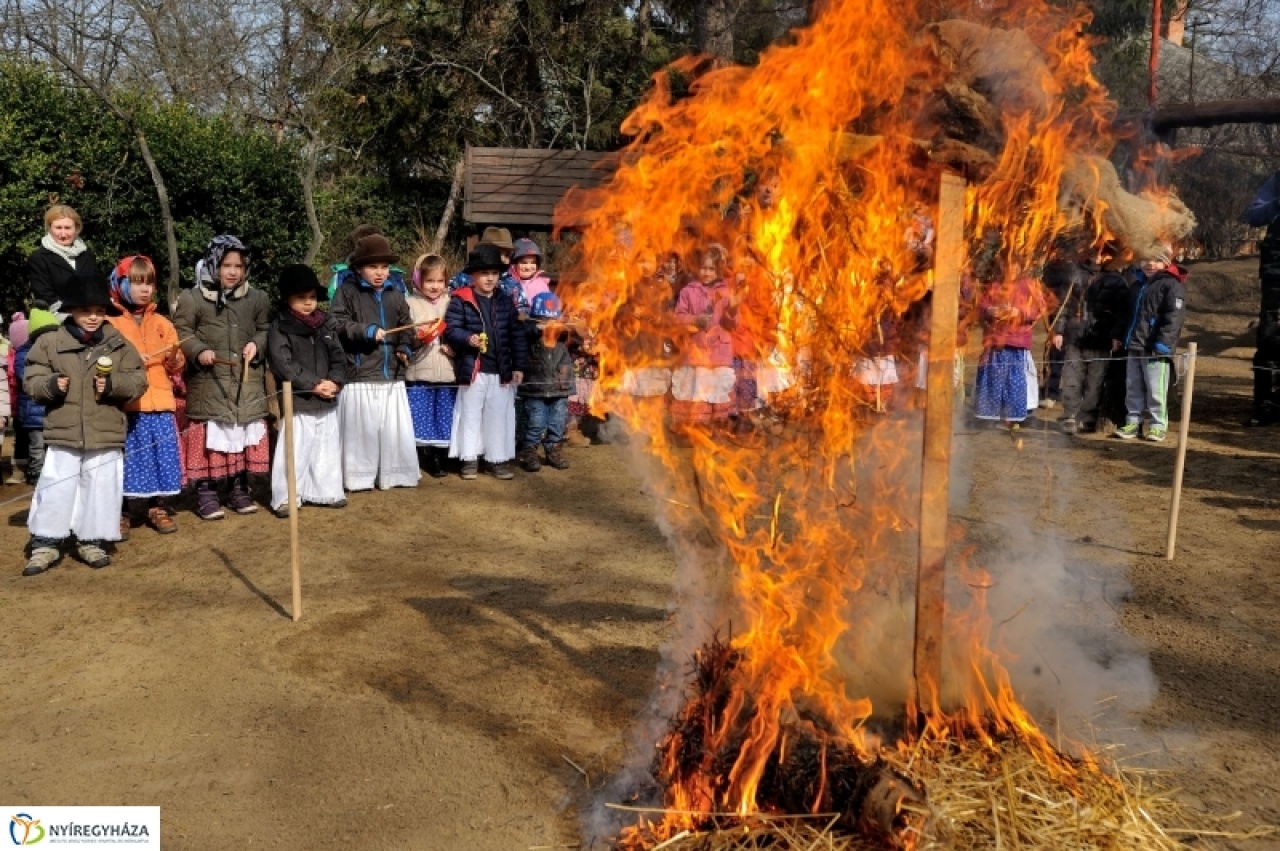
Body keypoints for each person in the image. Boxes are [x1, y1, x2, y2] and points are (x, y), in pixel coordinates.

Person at [20, 271, 147, 575]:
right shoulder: (50, 342)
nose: (93, 317)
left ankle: (91, 540)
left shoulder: (118, 344)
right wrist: (51, 384)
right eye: (85, 311)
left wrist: (113, 385)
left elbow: (138, 380)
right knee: (55, 486)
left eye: (99, 311)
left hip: (105, 433)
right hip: (64, 433)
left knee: (100, 487)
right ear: (71, 311)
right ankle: (45, 543)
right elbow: (32, 379)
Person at [173, 235, 272, 519]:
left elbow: (265, 329)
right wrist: (198, 350)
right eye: (226, 265)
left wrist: (258, 343)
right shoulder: (192, 298)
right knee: (211, 438)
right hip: (209, 383)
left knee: (239, 436)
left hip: (245, 383)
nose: (232, 271)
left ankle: (239, 489)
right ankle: (206, 493)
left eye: (238, 266)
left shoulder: (257, 298)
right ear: (213, 264)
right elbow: (181, 333)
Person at [330, 234, 420, 491]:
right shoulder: (347, 291)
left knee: (393, 431)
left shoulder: (395, 293)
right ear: (359, 268)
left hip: (391, 375)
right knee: (363, 433)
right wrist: (366, 331)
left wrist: (404, 348)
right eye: (372, 267)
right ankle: (359, 478)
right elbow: (335, 324)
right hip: (360, 374)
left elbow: (407, 327)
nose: (380, 273)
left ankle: (395, 475)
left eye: (384, 267)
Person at [107, 256, 186, 536]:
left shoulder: (163, 323)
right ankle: (123, 511)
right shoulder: (110, 323)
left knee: (160, 458)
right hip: (130, 405)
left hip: (161, 402)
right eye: (137, 282)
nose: (145, 289)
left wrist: (175, 359)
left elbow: (175, 365)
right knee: (129, 460)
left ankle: (157, 506)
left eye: (149, 283)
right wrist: (128, 359)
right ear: (120, 283)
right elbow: (105, 360)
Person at [267, 264, 349, 516]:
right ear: (287, 298)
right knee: (294, 449)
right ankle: (286, 496)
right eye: (301, 298)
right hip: (299, 400)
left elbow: (338, 356)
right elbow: (284, 364)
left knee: (325, 446)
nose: (308, 303)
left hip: (326, 396)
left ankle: (326, 490)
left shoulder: (325, 325)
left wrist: (334, 381)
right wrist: (313, 384)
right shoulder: (280, 326)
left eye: (312, 297)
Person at [445, 243, 529, 480]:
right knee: (470, 414)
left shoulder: (505, 301)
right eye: (484, 273)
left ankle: (497, 459)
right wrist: (467, 338)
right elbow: (451, 329)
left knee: (497, 415)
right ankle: (469, 459)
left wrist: (519, 366)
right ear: (473, 275)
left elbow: (517, 336)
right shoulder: (460, 300)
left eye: (494, 273)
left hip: (501, 370)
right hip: (473, 368)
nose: (490, 278)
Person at [1112, 245, 1187, 442]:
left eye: (1156, 260)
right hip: (1134, 345)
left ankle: (1157, 425)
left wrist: (1163, 343)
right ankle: (1132, 422)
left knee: (1156, 388)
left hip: (1154, 348)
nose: (1150, 264)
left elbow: (1174, 317)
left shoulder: (1172, 286)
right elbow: (1127, 315)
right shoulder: (1136, 286)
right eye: (1146, 259)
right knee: (1133, 386)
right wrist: (1119, 336)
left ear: (1166, 263)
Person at [1055, 246, 1130, 435]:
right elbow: (1063, 307)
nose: (1096, 256)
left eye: (1101, 252)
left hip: (1101, 339)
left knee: (1095, 383)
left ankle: (1088, 418)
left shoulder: (1116, 281)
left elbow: (1122, 313)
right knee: (1072, 380)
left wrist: (1116, 336)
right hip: (1075, 337)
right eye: (1093, 251)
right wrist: (1058, 331)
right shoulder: (1074, 275)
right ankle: (1069, 417)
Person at [670, 247, 737, 428]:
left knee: (716, 392)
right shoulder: (688, 291)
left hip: (718, 353)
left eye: (711, 269)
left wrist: (732, 310)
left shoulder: (726, 292)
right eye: (703, 268)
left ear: (719, 270)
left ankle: (717, 427)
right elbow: (678, 318)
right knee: (697, 392)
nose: (706, 273)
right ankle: (696, 429)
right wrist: (694, 320)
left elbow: (732, 324)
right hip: (695, 352)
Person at [973, 271, 1047, 430]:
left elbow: (1039, 309)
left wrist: (1018, 313)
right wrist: (990, 310)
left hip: (1016, 340)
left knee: (1013, 381)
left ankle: (1011, 417)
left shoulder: (1030, 285)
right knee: (993, 379)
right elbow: (981, 305)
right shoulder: (994, 284)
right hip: (995, 339)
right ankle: (990, 416)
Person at [404, 253, 456, 478]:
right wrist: (417, 339)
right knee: (419, 415)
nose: (435, 286)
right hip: (419, 369)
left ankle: (440, 457)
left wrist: (455, 348)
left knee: (444, 415)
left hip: (447, 370)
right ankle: (420, 455)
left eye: (439, 281)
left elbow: (459, 332)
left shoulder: (452, 303)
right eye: (429, 281)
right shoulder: (409, 304)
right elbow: (404, 336)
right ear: (418, 280)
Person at [517, 292, 574, 472]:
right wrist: (538, 326)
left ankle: (553, 450)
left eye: (552, 319)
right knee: (536, 422)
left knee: (557, 422)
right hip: (535, 389)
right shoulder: (530, 333)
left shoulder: (563, 337)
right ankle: (530, 452)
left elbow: (577, 336)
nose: (549, 323)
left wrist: (561, 325)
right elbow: (526, 329)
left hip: (559, 389)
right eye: (544, 319)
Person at [1245, 170, 1280, 426]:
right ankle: (1265, 406)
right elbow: (1254, 215)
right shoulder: (1277, 180)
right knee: (1269, 336)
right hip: (1276, 274)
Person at [12, 309, 59, 485]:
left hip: (50, 410)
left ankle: (49, 475)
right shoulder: (24, 354)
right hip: (33, 412)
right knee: (37, 447)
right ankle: (35, 474)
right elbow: (25, 376)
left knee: (51, 446)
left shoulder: (56, 351)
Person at [28, 204, 101, 311]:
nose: (63, 234)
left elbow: (97, 287)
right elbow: (45, 295)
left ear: (76, 228)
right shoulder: (39, 258)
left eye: (67, 228)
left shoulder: (87, 255)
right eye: (58, 228)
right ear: (49, 228)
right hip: (59, 318)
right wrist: (73, 313)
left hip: (91, 316)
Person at [449, 227, 515, 292]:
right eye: (497, 253)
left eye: (507, 255)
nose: (503, 259)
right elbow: (449, 293)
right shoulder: (465, 278)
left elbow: (520, 301)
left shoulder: (511, 283)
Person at [508, 238, 552, 317]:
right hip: (513, 323)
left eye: (533, 263)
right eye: (523, 262)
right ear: (514, 264)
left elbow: (549, 306)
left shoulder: (541, 284)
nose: (528, 267)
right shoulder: (508, 282)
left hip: (537, 323)